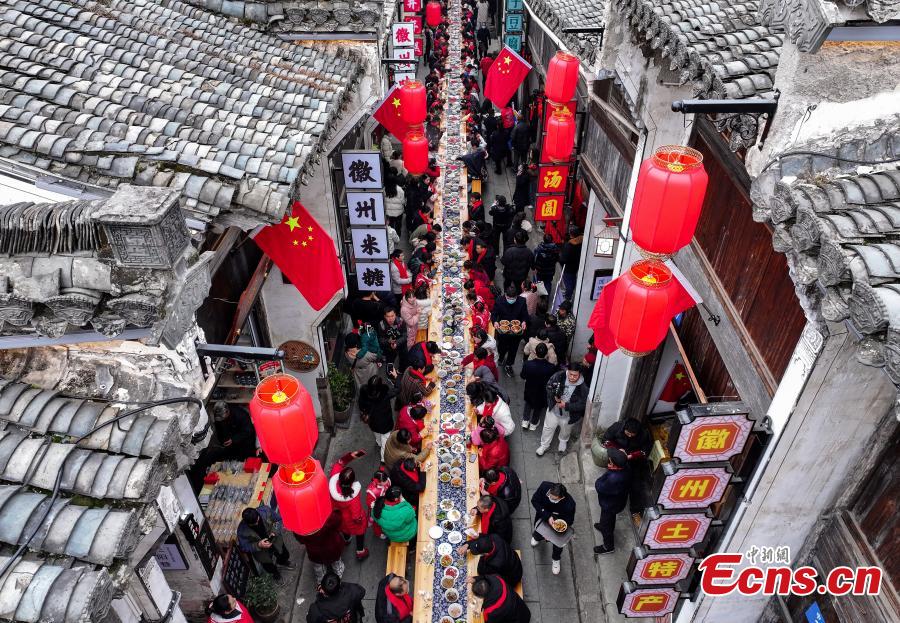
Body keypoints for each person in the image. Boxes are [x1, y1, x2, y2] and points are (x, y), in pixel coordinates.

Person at [537, 363, 588, 456]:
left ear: (579, 374)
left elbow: (582, 405)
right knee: (548, 428)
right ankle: (544, 445)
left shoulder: (583, 387)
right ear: (567, 371)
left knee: (565, 431)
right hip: (553, 410)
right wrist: (553, 396)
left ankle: (563, 441)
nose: (572, 377)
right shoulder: (559, 376)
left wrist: (566, 405)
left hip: (569, 416)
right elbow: (549, 386)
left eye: (575, 375)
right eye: (570, 374)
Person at [328, 450, 370, 561]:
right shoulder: (353, 498)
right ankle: (360, 551)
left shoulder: (333, 480)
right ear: (352, 482)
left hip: (339, 517)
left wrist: (350, 456)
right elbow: (356, 516)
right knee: (360, 533)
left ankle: (347, 540)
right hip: (351, 521)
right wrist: (361, 521)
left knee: (344, 530)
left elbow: (339, 463)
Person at [236, 505, 292, 583]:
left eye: (257, 521)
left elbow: (278, 520)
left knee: (283, 553)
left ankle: (283, 562)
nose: (256, 524)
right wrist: (258, 545)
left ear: (257, 513)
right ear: (246, 523)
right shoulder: (241, 531)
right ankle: (275, 574)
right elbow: (244, 547)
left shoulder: (265, 511)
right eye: (253, 524)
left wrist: (274, 531)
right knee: (268, 565)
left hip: (275, 541)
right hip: (261, 552)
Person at [530, 482, 576, 575]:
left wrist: (553, 530)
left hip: (558, 524)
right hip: (543, 516)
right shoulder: (544, 487)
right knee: (538, 531)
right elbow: (534, 500)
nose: (550, 498)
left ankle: (556, 559)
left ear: (561, 498)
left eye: (553, 499)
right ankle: (537, 537)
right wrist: (547, 516)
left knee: (558, 544)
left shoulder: (570, 504)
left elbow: (569, 520)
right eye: (549, 496)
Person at [593, 448, 630, 555]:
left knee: (607, 526)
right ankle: (602, 525)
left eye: (609, 460)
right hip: (616, 501)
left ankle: (608, 547)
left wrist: (600, 480)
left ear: (614, 465)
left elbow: (599, 486)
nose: (608, 460)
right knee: (607, 519)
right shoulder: (626, 467)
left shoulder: (613, 478)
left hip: (610, 505)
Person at [294, 508, 346, 582]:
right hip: (332, 547)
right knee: (336, 561)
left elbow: (301, 540)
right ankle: (339, 572)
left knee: (319, 567)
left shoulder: (299, 526)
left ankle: (322, 580)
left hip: (315, 552)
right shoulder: (327, 517)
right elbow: (338, 520)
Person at [491, 284, 530, 376]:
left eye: (513, 298)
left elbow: (525, 314)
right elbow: (494, 313)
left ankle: (509, 364)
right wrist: (495, 321)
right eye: (509, 298)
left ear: (517, 296)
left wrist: (524, 321)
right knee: (502, 346)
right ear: (505, 295)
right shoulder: (499, 300)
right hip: (503, 330)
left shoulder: (522, 301)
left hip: (516, 332)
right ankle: (500, 358)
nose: (511, 300)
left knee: (513, 349)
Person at [520, 343, 559, 431]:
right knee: (538, 406)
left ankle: (525, 421)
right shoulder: (551, 367)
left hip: (530, 388)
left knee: (528, 403)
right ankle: (533, 424)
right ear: (546, 353)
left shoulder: (528, 364)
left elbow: (522, 376)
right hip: (542, 391)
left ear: (535, 351)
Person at [457, 533, 523, 585]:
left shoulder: (496, 563)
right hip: (513, 559)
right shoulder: (494, 537)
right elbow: (482, 538)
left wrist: (475, 579)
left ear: (486, 553)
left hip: (511, 578)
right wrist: (467, 545)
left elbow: (485, 574)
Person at [366, 466, 391, 539]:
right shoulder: (372, 491)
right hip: (377, 508)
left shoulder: (387, 480)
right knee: (377, 522)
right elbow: (370, 504)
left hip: (386, 504)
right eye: (384, 481)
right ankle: (378, 533)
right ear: (379, 482)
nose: (387, 481)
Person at [559, 226, 584, 297]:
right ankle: (571, 292)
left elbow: (563, 259)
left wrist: (559, 259)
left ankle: (568, 297)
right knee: (573, 279)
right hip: (576, 265)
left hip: (568, 267)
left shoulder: (569, 245)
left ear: (571, 234)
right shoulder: (582, 242)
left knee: (568, 282)